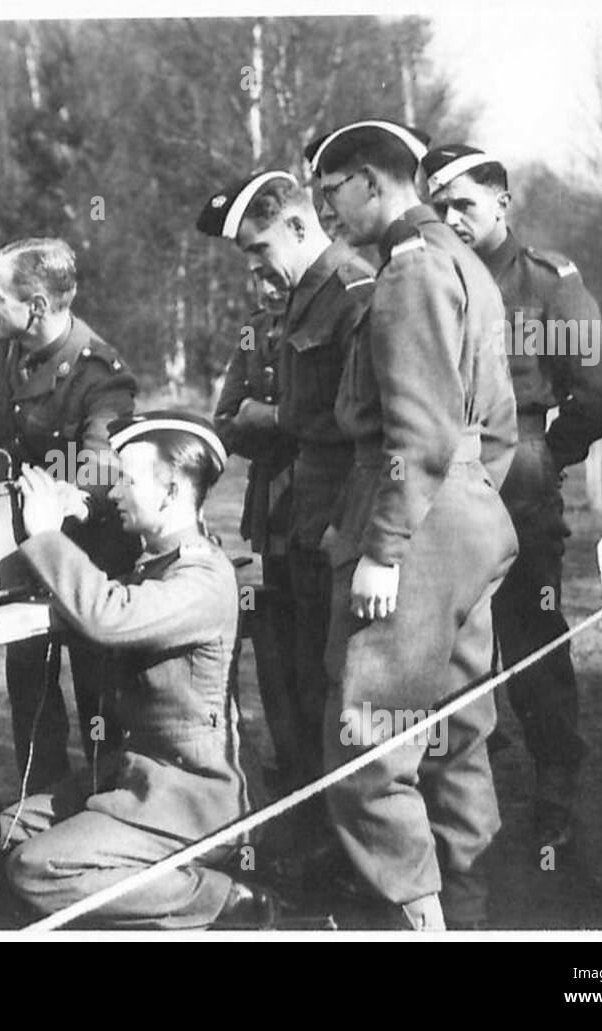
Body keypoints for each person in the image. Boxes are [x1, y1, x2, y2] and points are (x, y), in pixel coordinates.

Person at [310, 120, 519, 930]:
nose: (330, 215)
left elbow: (419, 434)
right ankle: (466, 911)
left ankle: (417, 921)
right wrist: (469, 506)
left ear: (369, 180)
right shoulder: (467, 262)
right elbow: (492, 428)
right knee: (459, 732)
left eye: (332, 194)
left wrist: (389, 546)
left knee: (368, 741)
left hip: (411, 522)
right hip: (465, 517)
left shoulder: (406, 271)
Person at [422, 144, 602, 850]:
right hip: (439, 483)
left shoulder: (546, 282)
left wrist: (544, 457)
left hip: (518, 486)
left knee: (530, 636)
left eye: (464, 206)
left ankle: (556, 782)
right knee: (443, 639)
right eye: (439, 208)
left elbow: (599, 395)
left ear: (502, 203)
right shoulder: (430, 276)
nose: (451, 219)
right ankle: (459, 784)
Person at [0, 412, 272, 929]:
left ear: (169, 491)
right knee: (11, 831)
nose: (115, 491)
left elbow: (109, 615)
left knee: (36, 870)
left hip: (195, 795)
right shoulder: (158, 564)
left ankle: (219, 898)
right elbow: (106, 597)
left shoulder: (203, 576)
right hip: (141, 774)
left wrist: (47, 536)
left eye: (127, 480)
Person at [199, 170, 375, 795]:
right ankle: (308, 800)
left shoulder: (355, 293)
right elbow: (228, 418)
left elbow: (364, 426)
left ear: (299, 226)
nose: (257, 272)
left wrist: (269, 418)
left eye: (259, 251)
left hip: (336, 518)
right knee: (291, 666)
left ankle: (344, 818)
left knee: (338, 678)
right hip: (284, 516)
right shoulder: (295, 303)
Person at [0, 238, 140, 794]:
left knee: (101, 702)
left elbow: (101, 463)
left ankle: (109, 813)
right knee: (31, 692)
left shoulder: (102, 373)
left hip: (92, 565)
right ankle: (40, 805)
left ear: (39, 307)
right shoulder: (6, 347)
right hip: (29, 559)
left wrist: (64, 499)